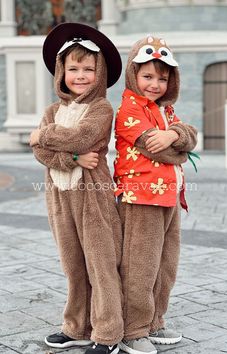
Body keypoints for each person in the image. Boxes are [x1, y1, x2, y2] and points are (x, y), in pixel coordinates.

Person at [30, 22, 124, 354]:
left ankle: (109, 331)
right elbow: (43, 154)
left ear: (100, 74)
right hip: (59, 194)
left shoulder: (101, 109)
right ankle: (77, 327)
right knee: (72, 263)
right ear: (61, 72)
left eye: (88, 68)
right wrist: (70, 158)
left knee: (100, 261)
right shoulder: (52, 111)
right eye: (73, 68)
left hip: (92, 194)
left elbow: (82, 137)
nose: (80, 75)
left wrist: (41, 134)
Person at [113, 36, 198, 354]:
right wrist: (180, 144)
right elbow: (160, 150)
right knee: (140, 265)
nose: (155, 84)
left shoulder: (165, 110)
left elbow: (191, 135)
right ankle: (133, 328)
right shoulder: (128, 111)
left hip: (170, 198)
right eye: (148, 76)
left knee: (166, 263)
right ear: (134, 74)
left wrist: (176, 134)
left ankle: (154, 321)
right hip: (141, 198)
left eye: (163, 78)